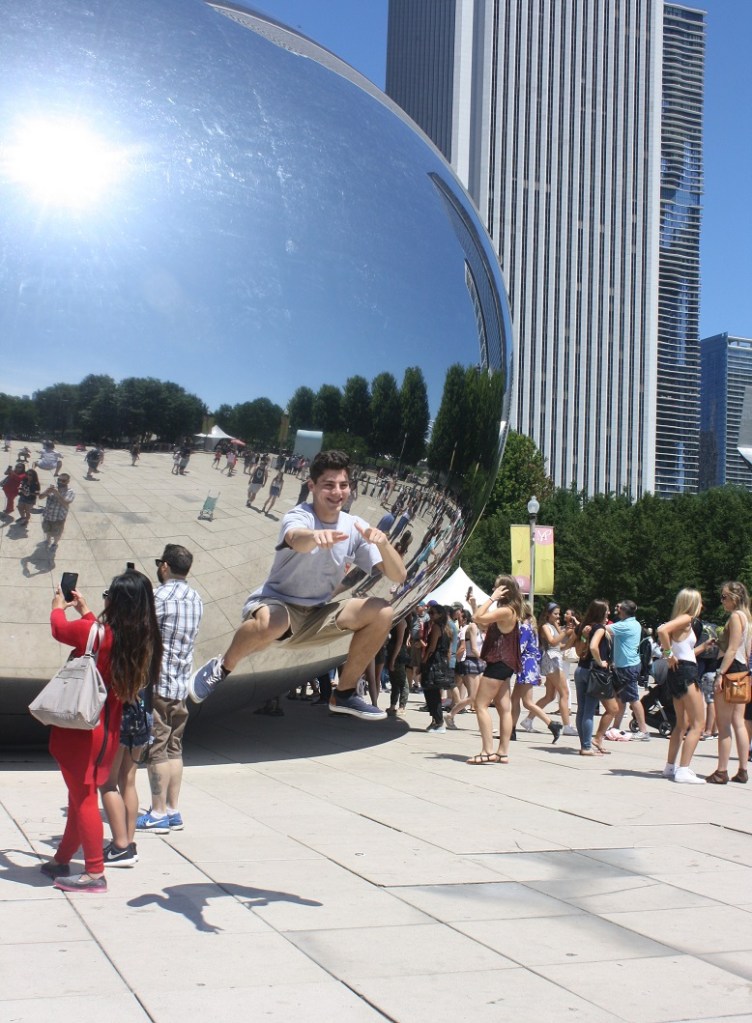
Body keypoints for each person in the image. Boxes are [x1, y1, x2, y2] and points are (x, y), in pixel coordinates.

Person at [189, 450, 407, 720]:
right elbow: (296, 538)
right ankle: (221, 668)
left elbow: (398, 576)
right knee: (274, 622)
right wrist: (316, 536)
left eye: (343, 485)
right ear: (312, 486)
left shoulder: (354, 526)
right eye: (328, 485)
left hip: (317, 612)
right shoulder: (300, 515)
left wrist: (383, 544)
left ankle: (345, 693)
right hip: (278, 603)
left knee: (383, 611)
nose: (337, 492)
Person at [40, 572, 162, 892]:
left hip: (83, 731)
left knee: (81, 797)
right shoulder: (136, 637)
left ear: (118, 601)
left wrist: (57, 606)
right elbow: (100, 638)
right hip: (105, 729)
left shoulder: (98, 633)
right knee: (79, 794)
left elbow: (58, 630)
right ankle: (62, 858)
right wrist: (86, 612)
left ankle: (94, 873)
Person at [137, 545, 204, 832]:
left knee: (157, 748)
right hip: (180, 683)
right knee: (175, 747)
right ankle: (173, 810)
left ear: (165, 566)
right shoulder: (195, 598)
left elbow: (141, 632)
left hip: (159, 682)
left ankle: (158, 812)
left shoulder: (159, 596)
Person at [466, 576, 523, 764]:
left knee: (480, 705)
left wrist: (491, 597)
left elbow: (476, 619)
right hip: (506, 663)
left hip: (498, 662)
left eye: (497, 587)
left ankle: (487, 751)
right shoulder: (508, 611)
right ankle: (502, 753)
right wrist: (474, 604)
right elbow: (483, 623)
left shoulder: (506, 610)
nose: (493, 588)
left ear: (504, 591)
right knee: (503, 708)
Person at [657, 588, 706, 784]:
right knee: (698, 724)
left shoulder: (683, 621)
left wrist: (704, 647)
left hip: (678, 672)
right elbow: (662, 630)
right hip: (686, 673)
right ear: (692, 603)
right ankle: (683, 769)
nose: (702, 606)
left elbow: (686, 651)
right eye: (700, 602)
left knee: (681, 723)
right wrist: (668, 655)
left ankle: (671, 766)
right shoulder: (686, 619)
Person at [706, 582, 751, 784]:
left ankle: (721, 771)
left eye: (724, 597)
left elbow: (732, 649)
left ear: (734, 597)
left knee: (723, 724)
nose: (722, 601)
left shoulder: (735, 617)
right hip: (742, 671)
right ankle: (742, 769)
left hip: (730, 670)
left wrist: (719, 674)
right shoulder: (747, 617)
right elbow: (746, 650)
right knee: (739, 723)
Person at [522, 603, 577, 735]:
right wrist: (564, 631)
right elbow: (553, 642)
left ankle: (528, 720)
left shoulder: (554, 626)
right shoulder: (545, 627)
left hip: (555, 658)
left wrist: (573, 635)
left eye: (559, 613)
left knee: (550, 696)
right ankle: (567, 726)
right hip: (551, 660)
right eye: (555, 614)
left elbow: (561, 646)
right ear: (548, 614)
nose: (558, 616)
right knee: (564, 693)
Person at [608, 600, 650, 740]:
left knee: (633, 698)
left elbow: (603, 629)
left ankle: (643, 731)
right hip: (625, 666)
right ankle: (616, 727)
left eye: (618, 608)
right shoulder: (635, 623)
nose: (616, 610)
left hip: (627, 667)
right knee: (620, 699)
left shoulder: (625, 625)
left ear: (623, 610)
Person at [40, 473, 75, 550]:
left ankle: (55, 544)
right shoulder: (53, 488)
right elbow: (40, 497)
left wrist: (56, 493)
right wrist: (46, 491)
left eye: (63, 480)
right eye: (59, 480)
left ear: (68, 481)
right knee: (47, 529)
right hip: (48, 515)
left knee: (57, 533)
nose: (60, 482)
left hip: (59, 518)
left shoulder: (70, 491)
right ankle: (48, 540)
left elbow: (66, 502)